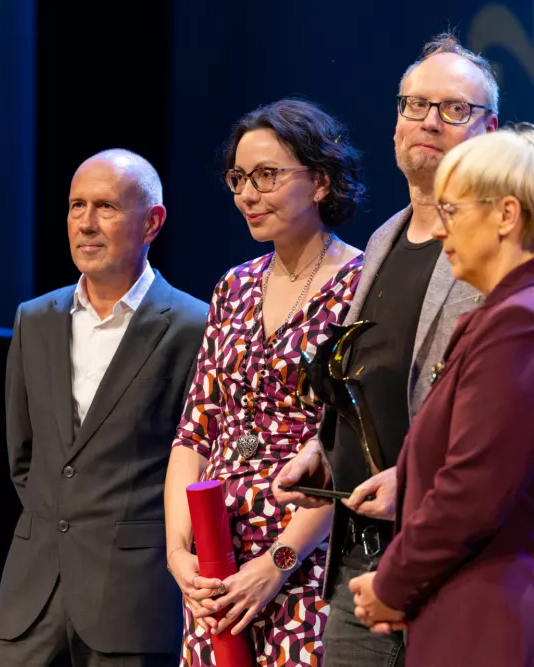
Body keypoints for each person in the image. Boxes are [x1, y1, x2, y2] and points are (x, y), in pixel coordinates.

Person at [273, 32, 534, 667]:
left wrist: (412, 480)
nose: (428, 121)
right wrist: (326, 452)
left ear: (490, 130)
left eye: (453, 109)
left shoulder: (523, 243)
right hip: (363, 554)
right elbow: (371, 376)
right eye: (414, 105)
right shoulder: (384, 239)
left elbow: (513, 424)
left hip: (463, 560)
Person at [349, 122, 534, 666]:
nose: (441, 229)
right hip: (484, 616)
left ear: (506, 215)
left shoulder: (526, 324)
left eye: (453, 210)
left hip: (506, 625)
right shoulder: (518, 313)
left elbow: (471, 491)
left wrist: (392, 585)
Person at [0, 149, 209, 667]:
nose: (86, 223)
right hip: (32, 594)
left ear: (152, 222)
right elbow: (23, 456)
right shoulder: (34, 318)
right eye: (76, 206)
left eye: (106, 207)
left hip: (133, 598)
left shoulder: (195, 326)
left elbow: (197, 462)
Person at [164, 98, 365, 667]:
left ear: (320, 181)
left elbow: (352, 448)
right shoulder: (234, 287)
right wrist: (180, 555)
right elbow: (194, 433)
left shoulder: (361, 285)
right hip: (218, 569)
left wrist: (277, 562)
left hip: (306, 564)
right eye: (239, 178)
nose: (247, 195)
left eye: (266, 176)